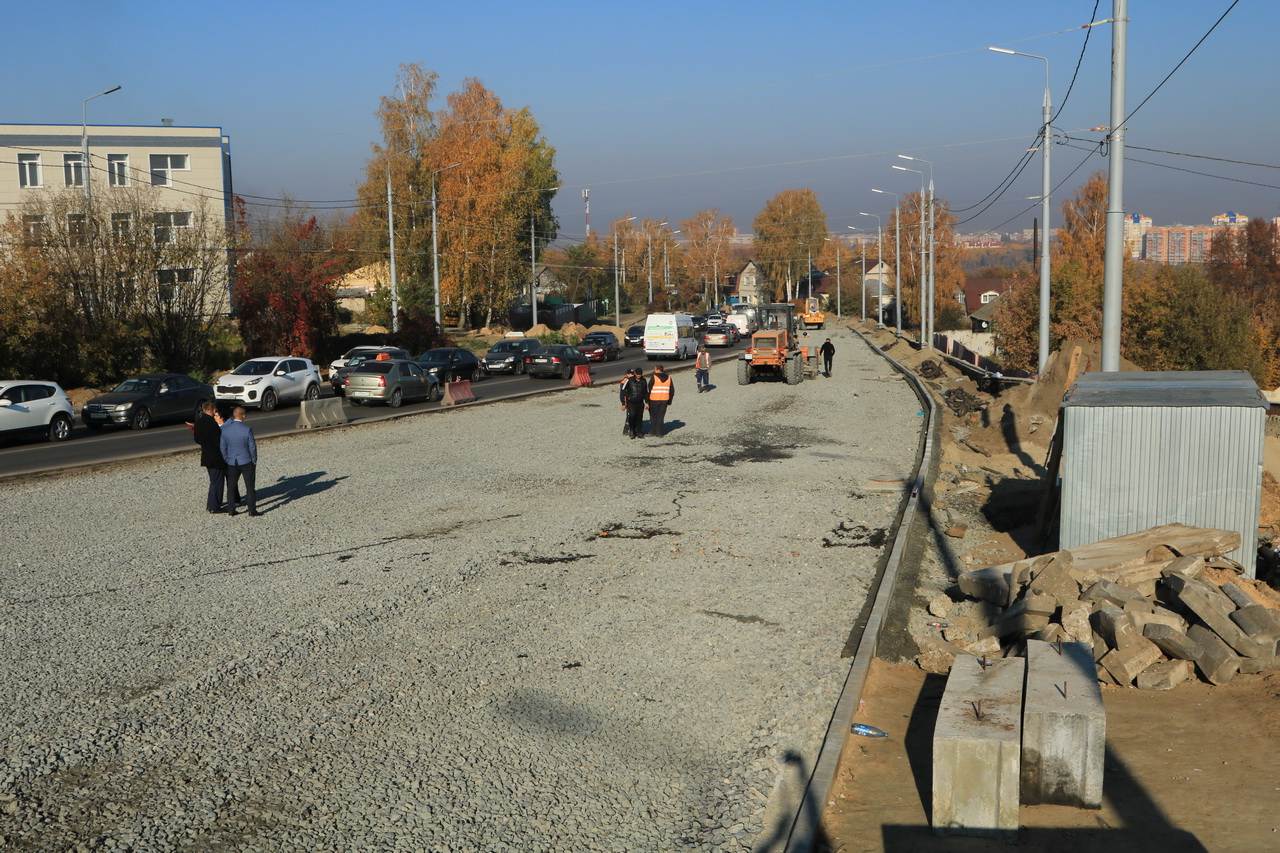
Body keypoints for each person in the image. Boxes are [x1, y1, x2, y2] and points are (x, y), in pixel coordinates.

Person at [220, 405, 260, 517]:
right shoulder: (246, 429)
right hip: (246, 461)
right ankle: (252, 510)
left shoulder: (225, 430)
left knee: (231, 487)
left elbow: (223, 447)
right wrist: (254, 460)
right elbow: (252, 447)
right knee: (250, 487)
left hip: (232, 461)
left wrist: (227, 459)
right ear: (243, 415)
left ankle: (231, 509)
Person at [192, 401, 228, 513]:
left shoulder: (198, 422)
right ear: (211, 410)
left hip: (206, 455)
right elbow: (220, 440)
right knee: (218, 482)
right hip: (216, 456)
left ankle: (211, 504)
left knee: (213, 481)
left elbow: (197, 439)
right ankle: (215, 506)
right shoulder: (213, 423)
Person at [647, 364, 674, 437]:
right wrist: (670, 400)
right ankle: (660, 432)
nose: (654, 370)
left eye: (654, 369)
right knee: (661, 416)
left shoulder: (654, 377)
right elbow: (672, 390)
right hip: (664, 400)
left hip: (654, 399)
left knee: (653, 416)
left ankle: (653, 431)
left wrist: (647, 400)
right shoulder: (669, 377)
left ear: (657, 369)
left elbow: (649, 388)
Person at [620, 368, 647, 439]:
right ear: (635, 374)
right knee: (632, 416)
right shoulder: (629, 380)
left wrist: (647, 402)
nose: (638, 376)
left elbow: (645, 392)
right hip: (631, 402)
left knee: (639, 417)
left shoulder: (644, 381)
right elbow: (623, 391)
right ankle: (631, 431)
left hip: (640, 402)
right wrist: (623, 403)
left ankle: (639, 432)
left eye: (640, 374)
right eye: (637, 374)